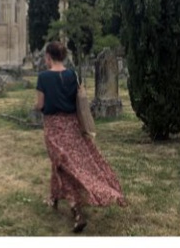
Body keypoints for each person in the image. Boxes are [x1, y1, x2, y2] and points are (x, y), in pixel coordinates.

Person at [35, 41, 126, 232]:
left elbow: (40, 104)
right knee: (66, 163)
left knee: (62, 165)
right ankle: (53, 198)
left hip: (53, 127)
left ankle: (77, 211)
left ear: (49, 57)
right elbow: (79, 100)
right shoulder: (73, 75)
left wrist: (43, 106)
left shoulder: (43, 77)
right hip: (72, 126)